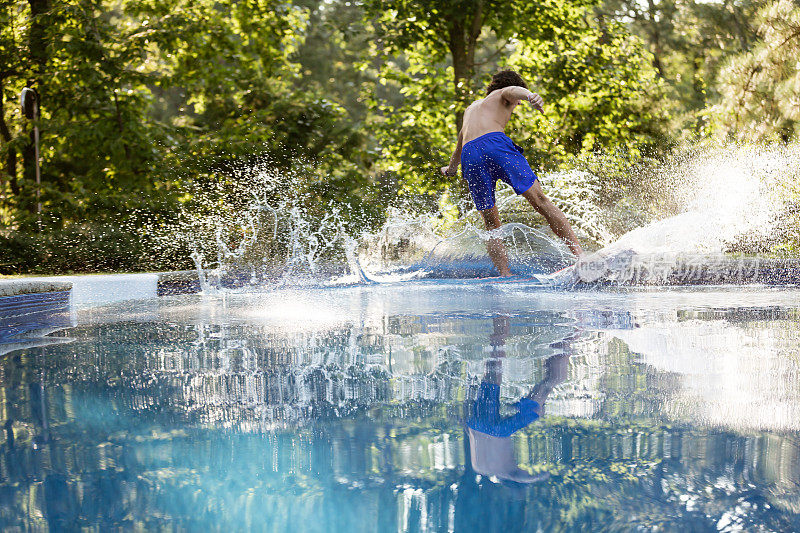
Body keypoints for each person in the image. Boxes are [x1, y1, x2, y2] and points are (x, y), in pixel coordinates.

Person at [441, 69, 583, 276]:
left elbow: (461, 141)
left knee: (491, 223)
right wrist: (530, 96)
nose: (516, 105)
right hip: (495, 145)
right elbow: (513, 90)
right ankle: (581, 256)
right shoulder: (502, 94)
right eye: (517, 103)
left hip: (470, 156)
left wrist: (452, 167)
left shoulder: (470, 109)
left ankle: (505, 273)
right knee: (540, 200)